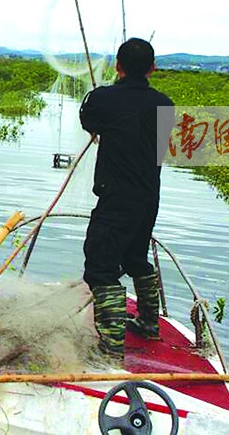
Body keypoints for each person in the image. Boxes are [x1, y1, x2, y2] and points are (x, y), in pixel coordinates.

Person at [79, 38, 174, 361]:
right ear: (152, 68)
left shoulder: (104, 98)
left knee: (100, 267)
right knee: (135, 257)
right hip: (148, 198)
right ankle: (149, 322)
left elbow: (89, 120)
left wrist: (104, 97)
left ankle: (109, 349)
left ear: (117, 66)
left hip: (116, 197)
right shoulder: (165, 104)